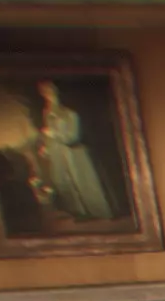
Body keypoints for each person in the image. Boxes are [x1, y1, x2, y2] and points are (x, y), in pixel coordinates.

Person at [29, 81, 115, 222]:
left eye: (50, 93)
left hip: (74, 155)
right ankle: (80, 213)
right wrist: (46, 146)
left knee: (83, 183)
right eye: (45, 94)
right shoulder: (48, 113)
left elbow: (73, 135)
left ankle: (98, 212)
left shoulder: (70, 113)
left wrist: (54, 134)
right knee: (65, 183)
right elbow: (47, 133)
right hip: (59, 155)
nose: (48, 98)